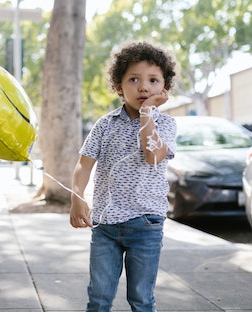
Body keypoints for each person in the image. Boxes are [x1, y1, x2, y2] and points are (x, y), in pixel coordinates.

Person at [69, 40, 177, 312]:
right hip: (105, 225)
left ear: (164, 88)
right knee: (99, 298)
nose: (144, 87)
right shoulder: (105, 124)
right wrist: (76, 196)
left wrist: (146, 113)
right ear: (119, 86)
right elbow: (84, 164)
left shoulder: (166, 123)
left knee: (141, 299)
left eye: (153, 80)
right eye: (134, 79)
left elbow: (153, 155)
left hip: (146, 224)